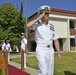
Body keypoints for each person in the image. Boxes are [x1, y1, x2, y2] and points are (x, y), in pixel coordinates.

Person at [27, 5, 61, 75]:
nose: (46, 15)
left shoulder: (52, 27)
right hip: (41, 49)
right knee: (43, 71)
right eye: (45, 14)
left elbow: (56, 41)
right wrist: (38, 17)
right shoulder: (37, 26)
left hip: (50, 50)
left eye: (47, 13)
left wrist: (59, 53)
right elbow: (28, 26)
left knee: (50, 71)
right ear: (41, 15)